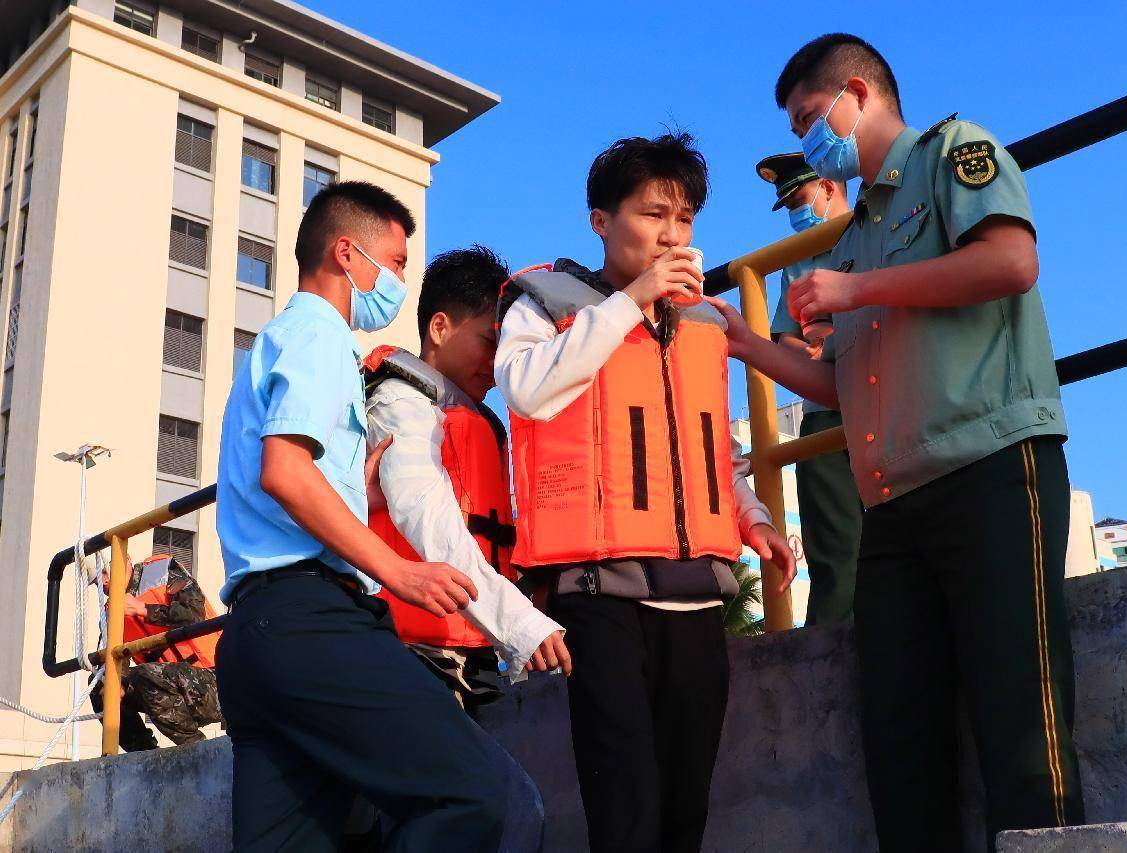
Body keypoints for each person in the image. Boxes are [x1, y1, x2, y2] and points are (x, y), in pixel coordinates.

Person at [707, 34, 1084, 851]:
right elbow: (834, 379)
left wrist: (860, 288)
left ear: (856, 92)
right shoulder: (848, 240)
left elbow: (1012, 261)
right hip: (894, 504)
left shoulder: (955, 152)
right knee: (899, 745)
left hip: (988, 469)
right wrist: (744, 342)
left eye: (811, 119)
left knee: (1022, 726)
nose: (811, 142)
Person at [495, 132, 796, 853]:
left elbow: (711, 446)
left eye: (685, 218)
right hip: (601, 597)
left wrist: (753, 518)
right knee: (624, 808)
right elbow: (528, 390)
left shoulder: (701, 323)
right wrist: (630, 301)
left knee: (687, 807)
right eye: (653, 212)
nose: (672, 233)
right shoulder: (543, 304)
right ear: (601, 220)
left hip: (695, 595)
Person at [214, 180, 506, 852]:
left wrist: (357, 494)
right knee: (472, 791)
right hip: (312, 621)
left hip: (256, 640)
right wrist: (400, 570)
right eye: (398, 263)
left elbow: (282, 480)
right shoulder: (320, 333)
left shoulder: (274, 342)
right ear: (349, 254)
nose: (400, 282)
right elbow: (285, 471)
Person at [363, 245, 570, 715]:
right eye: (489, 341)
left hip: (474, 648)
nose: (498, 364)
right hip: (410, 650)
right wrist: (520, 624)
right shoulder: (400, 403)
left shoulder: (478, 420)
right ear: (439, 328)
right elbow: (428, 519)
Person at [755, 152, 863, 625]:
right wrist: (823, 348)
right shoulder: (793, 261)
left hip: (891, 402)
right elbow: (787, 340)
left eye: (800, 197)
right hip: (825, 412)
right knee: (835, 554)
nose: (797, 210)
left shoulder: (874, 232)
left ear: (828, 185)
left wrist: (826, 342)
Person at [88, 553, 221, 751]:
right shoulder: (111, 615)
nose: (103, 582)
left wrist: (142, 609)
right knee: (100, 686)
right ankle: (144, 755)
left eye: (105, 572)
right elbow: (115, 663)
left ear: (126, 561)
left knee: (145, 674)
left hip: (218, 680)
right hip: (169, 685)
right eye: (96, 580)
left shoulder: (162, 572)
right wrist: (117, 683)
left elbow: (194, 615)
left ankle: (199, 749)